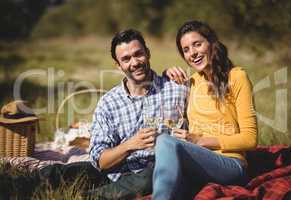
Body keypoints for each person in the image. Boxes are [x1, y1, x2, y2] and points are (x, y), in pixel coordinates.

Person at [0, 29, 187, 200]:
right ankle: (13, 185)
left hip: (157, 170)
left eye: (138, 54)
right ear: (118, 65)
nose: (135, 62)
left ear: (148, 53)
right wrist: (129, 145)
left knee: (152, 176)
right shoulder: (108, 103)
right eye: (126, 58)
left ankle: (86, 197)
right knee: (64, 172)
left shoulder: (176, 89)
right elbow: (101, 161)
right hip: (116, 171)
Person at [153, 20, 257, 200]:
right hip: (199, 162)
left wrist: (201, 141)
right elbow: (162, 94)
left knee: (164, 141)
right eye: (186, 50)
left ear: (211, 43)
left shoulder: (237, 76)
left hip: (231, 164)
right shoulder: (192, 82)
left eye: (197, 44)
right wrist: (166, 73)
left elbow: (250, 139)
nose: (192, 53)